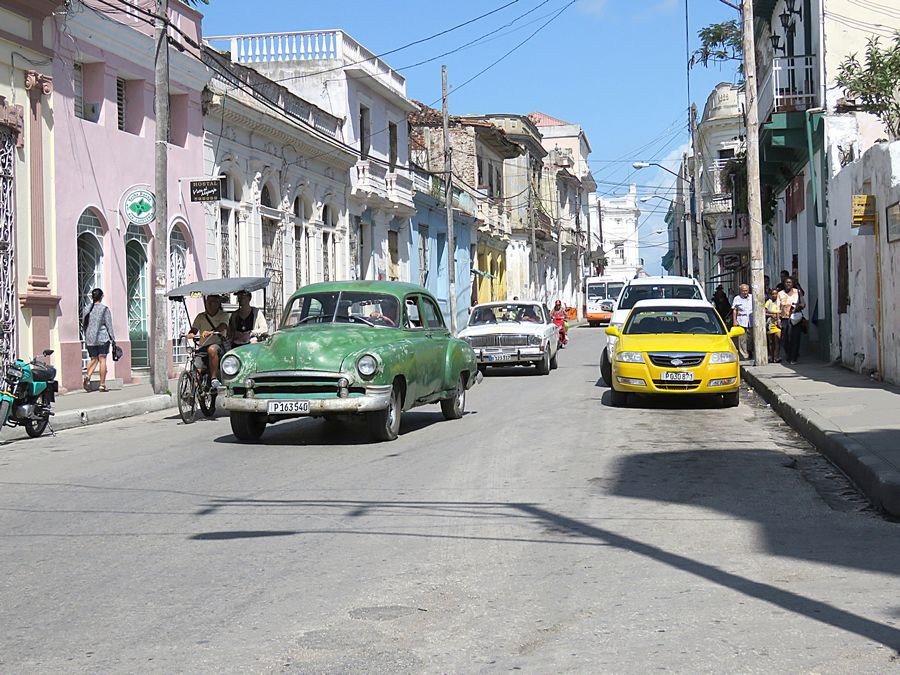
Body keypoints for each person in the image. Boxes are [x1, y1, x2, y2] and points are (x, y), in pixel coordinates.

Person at [187, 294, 230, 387]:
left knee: (212, 349)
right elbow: (194, 330)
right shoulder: (201, 316)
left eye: (213, 302)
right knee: (196, 369)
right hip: (203, 346)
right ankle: (194, 390)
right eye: (208, 302)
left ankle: (214, 378)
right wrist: (191, 334)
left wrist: (211, 332)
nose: (210, 304)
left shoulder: (224, 315)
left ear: (218, 303)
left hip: (218, 346)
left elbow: (223, 326)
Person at [82, 288, 116, 392]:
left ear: (92, 297)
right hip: (102, 338)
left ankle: (88, 376)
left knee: (93, 359)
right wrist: (113, 339)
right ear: (101, 297)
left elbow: (84, 324)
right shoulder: (104, 309)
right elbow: (109, 325)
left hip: (90, 338)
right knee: (102, 360)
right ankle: (102, 385)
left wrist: (87, 335)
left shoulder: (86, 309)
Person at [777, 276, 804, 364]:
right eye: (786, 282)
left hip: (795, 318)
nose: (788, 284)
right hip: (784, 318)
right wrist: (778, 319)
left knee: (795, 338)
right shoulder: (780, 293)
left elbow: (803, 304)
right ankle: (789, 354)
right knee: (785, 338)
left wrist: (797, 307)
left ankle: (794, 357)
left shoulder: (797, 292)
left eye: (790, 282)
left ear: (793, 284)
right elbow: (777, 307)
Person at [731, 284, 753, 360]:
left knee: (750, 339)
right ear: (740, 291)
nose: (744, 292)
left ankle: (750, 352)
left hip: (751, 321)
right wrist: (734, 320)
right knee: (742, 339)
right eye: (743, 291)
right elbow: (734, 310)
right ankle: (744, 355)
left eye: (746, 290)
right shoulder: (737, 298)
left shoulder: (752, 297)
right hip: (741, 320)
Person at [764, 287, 782, 363]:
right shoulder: (769, 302)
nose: (774, 295)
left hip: (778, 323)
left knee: (778, 340)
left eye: (776, 294)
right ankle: (771, 356)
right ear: (770, 295)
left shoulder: (780, 302)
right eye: (773, 294)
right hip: (770, 323)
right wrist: (771, 315)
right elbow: (764, 312)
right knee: (771, 342)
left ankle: (776, 356)